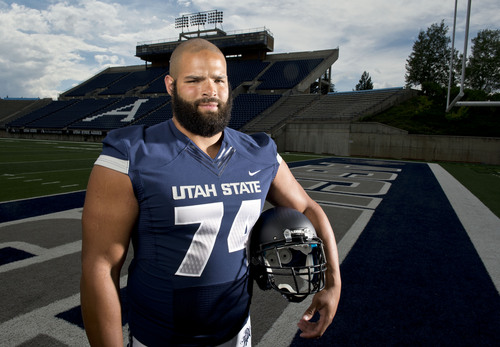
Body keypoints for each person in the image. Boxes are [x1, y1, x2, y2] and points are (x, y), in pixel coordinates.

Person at [80, 38, 341, 346]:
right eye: (194, 80)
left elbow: (308, 209)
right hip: (160, 338)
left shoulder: (259, 152)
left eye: (219, 79)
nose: (210, 90)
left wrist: (332, 283)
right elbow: (100, 267)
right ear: (170, 85)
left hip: (237, 331)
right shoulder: (131, 154)